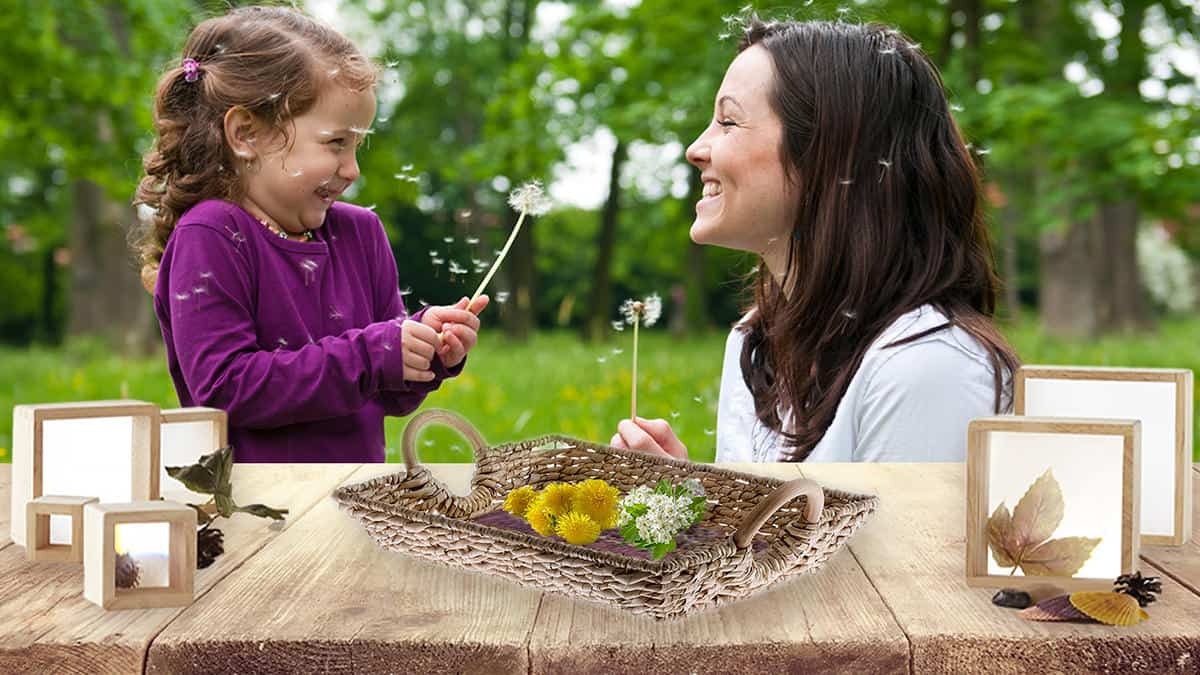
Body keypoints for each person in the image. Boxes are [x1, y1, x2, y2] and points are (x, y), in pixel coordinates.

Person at [611, 17, 1020, 463]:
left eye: (728, 122)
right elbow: (763, 533)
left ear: (825, 153)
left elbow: (902, 537)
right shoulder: (755, 343)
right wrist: (688, 500)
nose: (696, 148)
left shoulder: (926, 365)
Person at [134, 6, 487, 462]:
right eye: (336, 143)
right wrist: (373, 353)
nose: (353, 169)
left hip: (355, 501)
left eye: (358, 145)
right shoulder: (210, 235)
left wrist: (426, 350)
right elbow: (225, 389)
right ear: (246, 134)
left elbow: (386, 395)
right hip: (255, 512)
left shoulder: (362, 233)